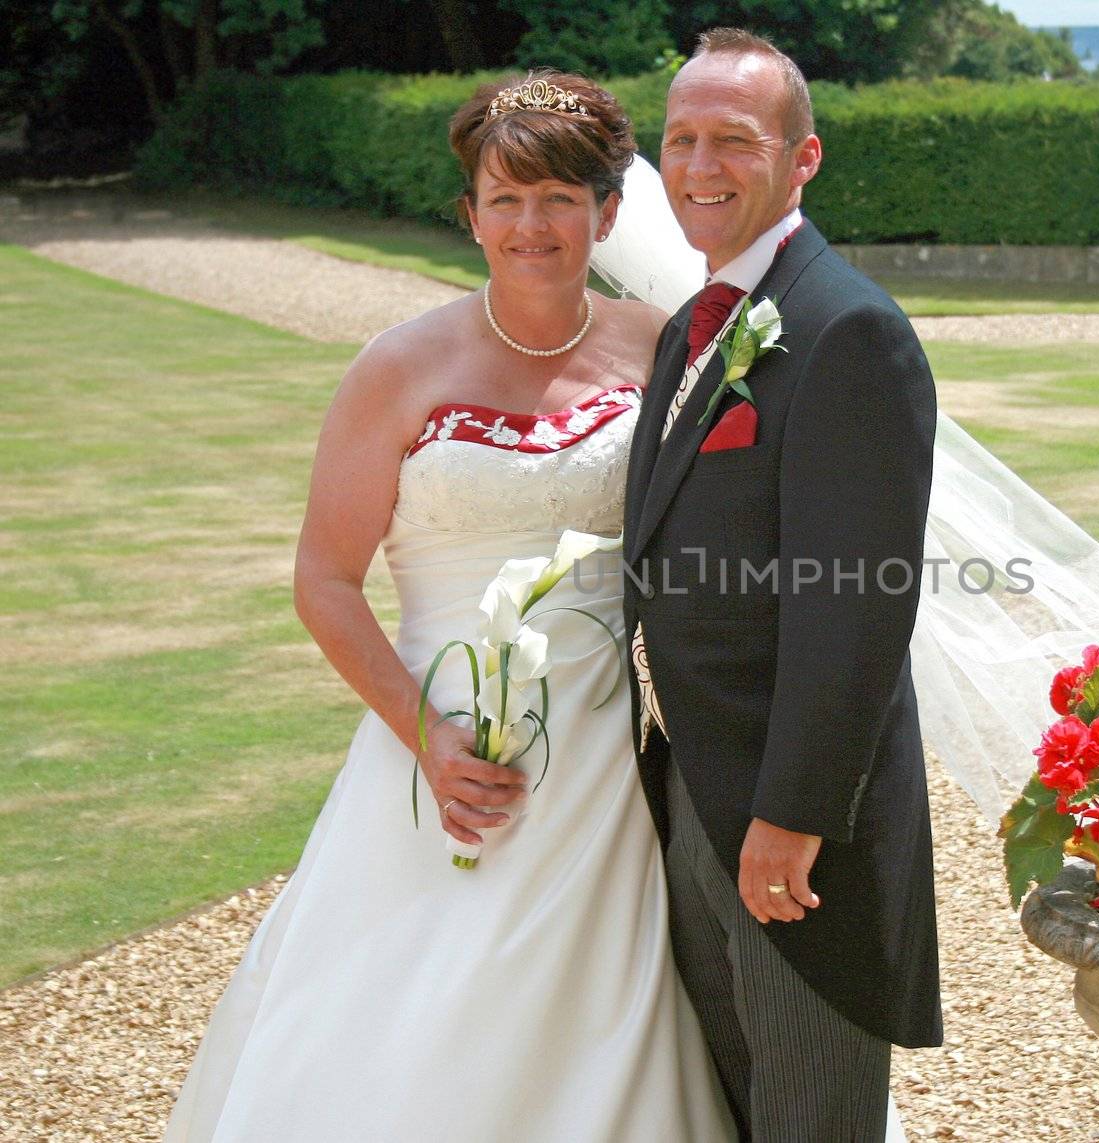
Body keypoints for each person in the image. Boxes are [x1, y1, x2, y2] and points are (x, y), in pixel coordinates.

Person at [163, 70, 736, 1141]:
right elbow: (324, 581)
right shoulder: (398, 368)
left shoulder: (662, 348)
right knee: (409, 1008)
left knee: (596, 1006)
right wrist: (429, 737)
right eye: (506, 199)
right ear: (468, 215)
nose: (534, 225)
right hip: (436, 753)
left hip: (603, 767)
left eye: (561, 198)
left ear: (608, 213)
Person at [623, 29, 942, 1141]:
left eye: (733, 141)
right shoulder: (695, 326)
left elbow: (857, 604)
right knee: (737, 1106)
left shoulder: (848, 329)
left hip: (790, 832)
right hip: (694, 795)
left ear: (802, 158)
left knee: (812, 1118)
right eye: (680, 139)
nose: (699, 165)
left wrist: (792, 819)